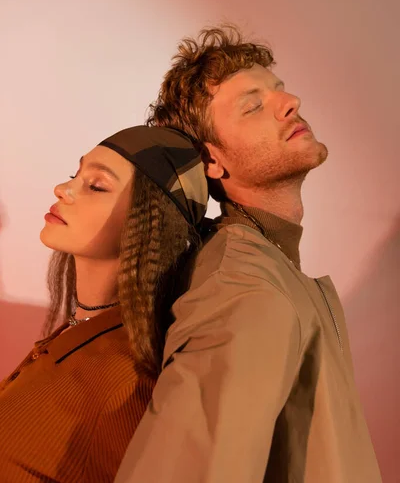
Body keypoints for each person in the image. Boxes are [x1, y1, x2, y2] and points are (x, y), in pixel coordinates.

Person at [116, 26, 382, 482]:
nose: (290, 102)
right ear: (212, 161)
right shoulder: (243, 287)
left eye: (278, 90)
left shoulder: (268, 271)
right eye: (253, 105)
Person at [0, 125, 208, 482]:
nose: (62, 189)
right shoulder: (77, 333)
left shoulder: (130, 378)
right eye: (74, 175)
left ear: (147, 223)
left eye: (96, 185)